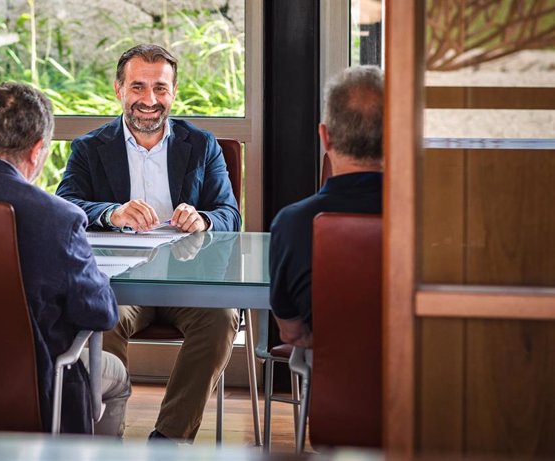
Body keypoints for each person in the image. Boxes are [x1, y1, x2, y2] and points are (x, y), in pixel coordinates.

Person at [56, 44, 241, 443]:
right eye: (138, 87)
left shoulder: (203, 145)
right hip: (122, 282)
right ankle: (107, 439)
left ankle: (170, 441)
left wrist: (203, 218)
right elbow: (65, 205)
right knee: (100, 320)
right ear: (118, 89)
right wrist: (111, 212)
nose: (149, 100)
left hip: (189, 280)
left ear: (173, 91)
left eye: (160, 88)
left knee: (223, 318)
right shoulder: (89, 148)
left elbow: (230, 213)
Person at [0, 82, 131, 436]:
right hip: (33, 389)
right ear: (37, 152)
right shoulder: (57, 218)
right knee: (117, 377)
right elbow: (100, 313)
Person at [269, 66, 384, 348]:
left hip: (334, 386)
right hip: (426, 386)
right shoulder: (431, 217)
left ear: (325, 136)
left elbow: (291, 333)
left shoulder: (293, 223)